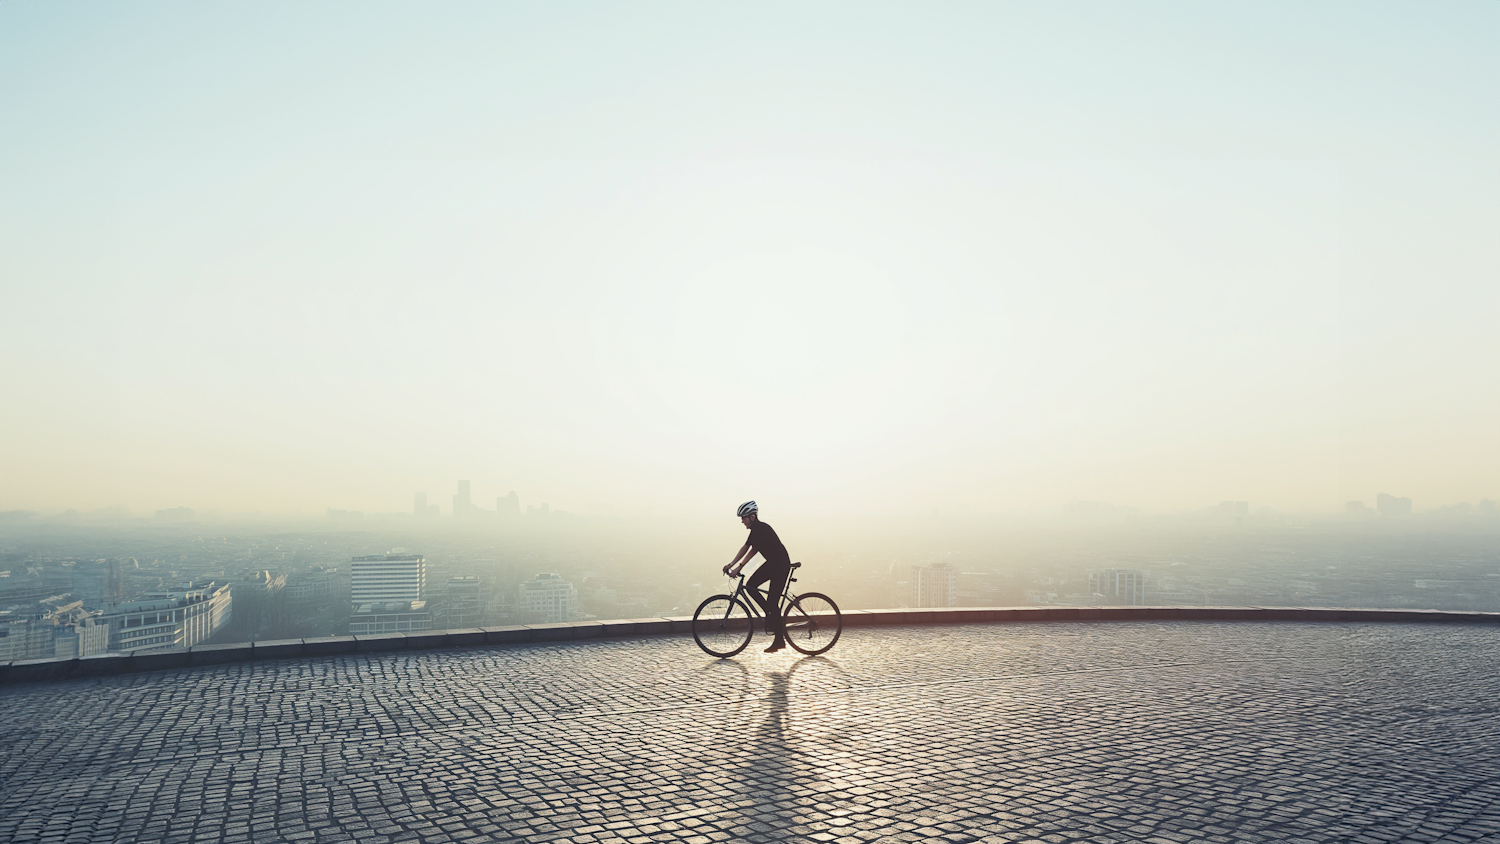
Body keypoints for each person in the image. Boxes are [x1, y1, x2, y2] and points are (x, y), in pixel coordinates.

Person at [723, 500, 793, 653]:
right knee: (751, 585)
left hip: (780, 565)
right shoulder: (755, 530)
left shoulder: (762, 529)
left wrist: (739, 567)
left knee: (772, 602)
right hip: (772, 564)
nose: (742, 521)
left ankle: (779, 639)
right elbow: (746, 547)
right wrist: (731, 564)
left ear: (753, 517)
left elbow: (753, 551)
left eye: (744, 518)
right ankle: (769, 613)